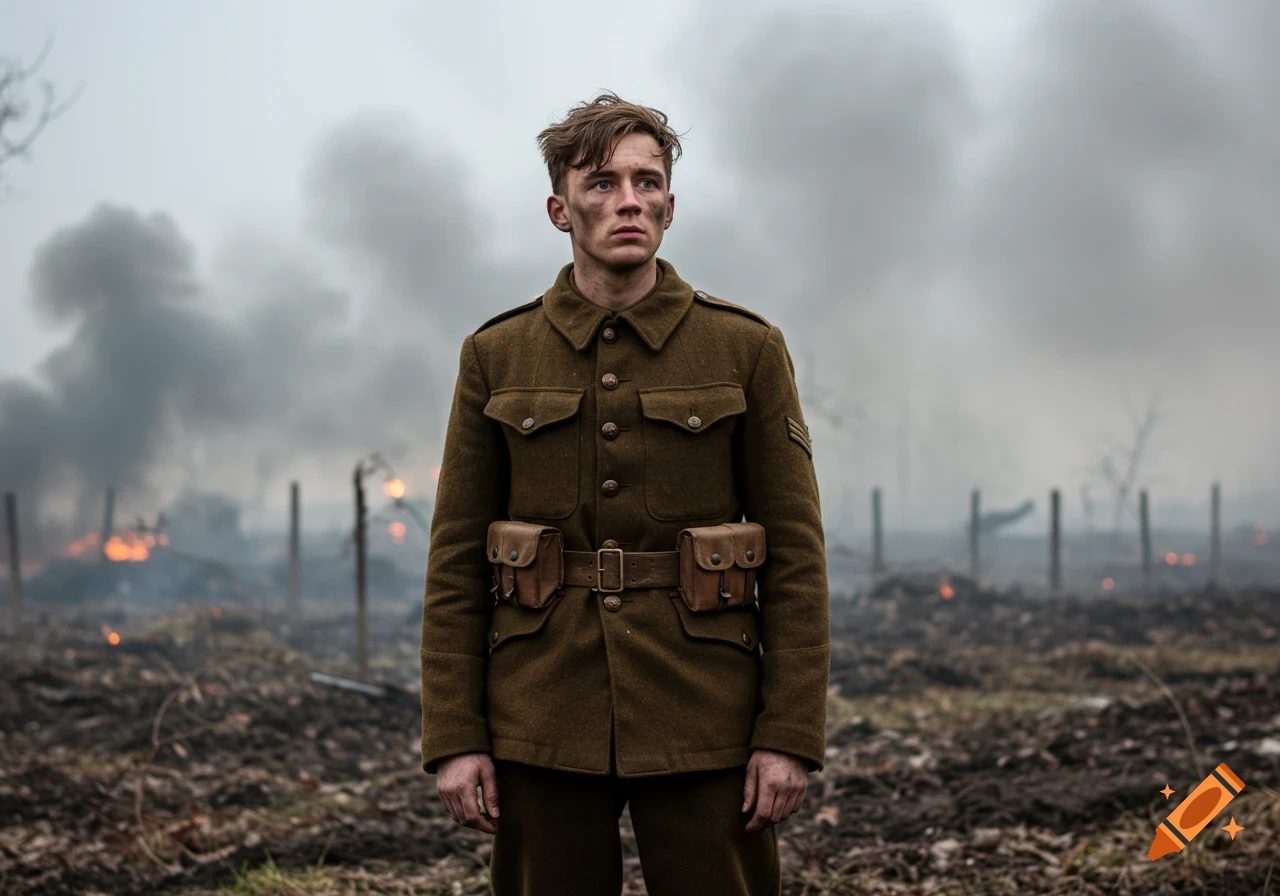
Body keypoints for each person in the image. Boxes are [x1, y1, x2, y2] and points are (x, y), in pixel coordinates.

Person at [419, 92, 830, 896]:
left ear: (671, 208)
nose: (628, 200)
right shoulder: (496, 356)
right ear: (558, 208)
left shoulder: (745, 349)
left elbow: (797, 561)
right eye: (601, 182)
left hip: (705, 712)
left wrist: (788, 736)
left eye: (647, 182)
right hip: (540, 714)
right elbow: (455, 565)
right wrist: (455, 737)